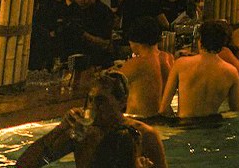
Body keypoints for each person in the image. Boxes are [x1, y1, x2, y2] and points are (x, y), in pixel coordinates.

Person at [17, 69, 166, 168]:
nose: (93, 106)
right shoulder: (82, 133)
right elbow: (25, 164)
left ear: (122, 101)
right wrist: (60, 129)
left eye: (101, 101)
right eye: (90, 99)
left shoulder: (143, 136)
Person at [159, 21, 239, 120]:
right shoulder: (232, 72)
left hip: (185, 127)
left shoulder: (181, 64)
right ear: (223, 43)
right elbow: (235, 111)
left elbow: (164, 109)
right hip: (212, 127)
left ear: (200, 40)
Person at [117, 16, 172, 118]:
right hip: (165, 119)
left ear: (134, 40)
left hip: (140, 121)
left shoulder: (135, 64)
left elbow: (109, 86)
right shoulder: (169, 58)